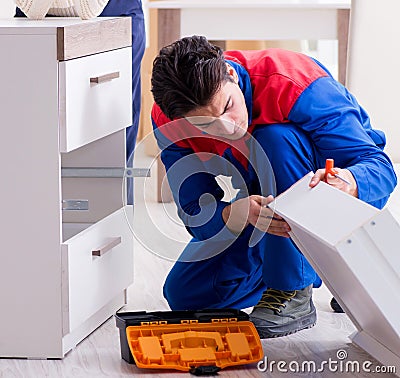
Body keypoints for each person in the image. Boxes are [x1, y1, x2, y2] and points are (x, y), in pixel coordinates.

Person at [150, 35, 397, 338]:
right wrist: (235, 213)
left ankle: (291, 288)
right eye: (207, 125)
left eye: (228, 106)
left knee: (274, 140)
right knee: (186, 294)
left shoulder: (295, 81)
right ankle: (321, 269)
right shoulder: (170, 122)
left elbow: (381, 170)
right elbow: (194, 210)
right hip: (267, 209)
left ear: (230, 73)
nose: (228, 128)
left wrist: (348, 182)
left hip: (335, 198)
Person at [15, 0, 146, 204]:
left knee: (113, 135)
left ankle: (115, 226)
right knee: (33, 135)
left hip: (113, 16)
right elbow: (34, 10)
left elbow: (89, 9)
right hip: (35, 23)